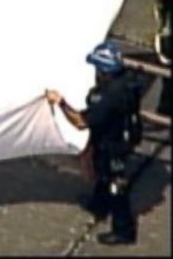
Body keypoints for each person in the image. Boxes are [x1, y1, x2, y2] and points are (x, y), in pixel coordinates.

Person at [46, 41, 142, 245]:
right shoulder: (128, 82)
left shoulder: (107, 97)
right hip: (121, 136)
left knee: (117, 185)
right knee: (103, 174)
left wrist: (61, 103)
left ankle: (124, 230)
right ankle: (99, 204)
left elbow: (81, 122)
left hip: (113, 144)